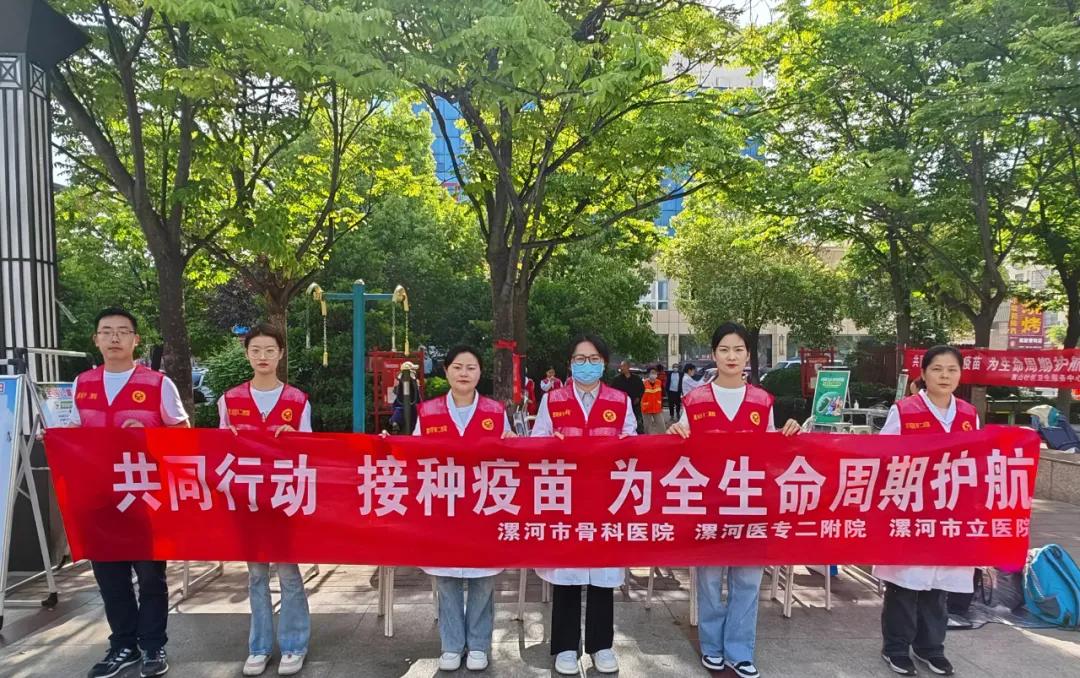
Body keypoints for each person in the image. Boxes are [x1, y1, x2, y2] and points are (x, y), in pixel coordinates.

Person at [668, 322, 801, 678]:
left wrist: (788, 433)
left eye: (738, 350)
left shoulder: (762, 400)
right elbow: (681, 448)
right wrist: (674, 433)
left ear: (747, 355)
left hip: (750, 504)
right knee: (709, 582)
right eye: (724, 349)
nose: (731, 356)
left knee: (747, 582)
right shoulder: (695, 401)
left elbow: (772, 451)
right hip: (709, 506)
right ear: (713, 355)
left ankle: (740, 651)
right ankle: (712, 647)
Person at [72, 308, 190, 678]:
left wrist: (150, 436)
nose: (114, 338)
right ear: (96, 340)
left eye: (123, 331)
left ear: (135, 340)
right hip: (99, 498)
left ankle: (153, 645)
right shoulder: (82, 384)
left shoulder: (157, 384)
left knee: (151, 576)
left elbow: (184, 435)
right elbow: (72, 433)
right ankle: (123, 644)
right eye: (106, 331)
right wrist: (54, 439)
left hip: (145, 498)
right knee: (110, 578)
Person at [532, 334, 636, 676]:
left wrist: (624, 445)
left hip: (606, 499)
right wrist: (551, 444)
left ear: (604, 363)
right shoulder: (553, 400)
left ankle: (601, 646)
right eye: (580, 359)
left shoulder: (620, 400)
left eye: (593, 359)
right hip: (565, 498)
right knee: (567, 575)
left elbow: (634, 444)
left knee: (602, 575)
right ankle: (565, 646)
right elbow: (536, 443)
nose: (586, 365)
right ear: (570, 364)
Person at [876, 346, 977, 678]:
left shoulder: (968, 415)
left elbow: (977, 461)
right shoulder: (905, 411)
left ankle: (931, 647)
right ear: (923, 374)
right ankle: (896, 648)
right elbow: (883, 458)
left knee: (938, 585)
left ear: (960, 375)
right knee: (905, 584)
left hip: (949, 512)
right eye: (937, 369)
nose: (945, 376)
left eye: (952, 370)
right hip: (910, 510)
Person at [412, 345, 515, 672]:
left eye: (471, 368)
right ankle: (452, 644)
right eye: (457, 367)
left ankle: (479, 644)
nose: (464, 373)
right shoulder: (428, 412)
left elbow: (510, 456)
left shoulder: (495, 412)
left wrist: (513, 442)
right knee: (447, 579)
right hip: (443, 507)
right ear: (446, 371)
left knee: (483, 580)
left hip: (484, 506)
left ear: (480, 373)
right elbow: (412, 454)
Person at [218, 324, 313, 677]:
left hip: (284, 499)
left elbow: (310, 451)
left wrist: (295, 438)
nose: (263, 356)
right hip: (247, 500)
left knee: (289, 574)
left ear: (280, 354)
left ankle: (294, 645)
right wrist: (225, 438)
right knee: (256, 576)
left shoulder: (297, 400)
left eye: (270, 350)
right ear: (247, 354)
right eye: (256, 350)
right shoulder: (229, 400)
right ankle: (258, 647)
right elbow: (218, 451)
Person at [610, 360, 645, 432]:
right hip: (621, 405)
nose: (622, 368)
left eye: (624, 366)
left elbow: (642, 389)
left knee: (637, 424)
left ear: (628, 367)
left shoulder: (636, 379)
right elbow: (612, 391)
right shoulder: (616, 380)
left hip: (635, 406)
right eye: (621, 366)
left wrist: (638, 397)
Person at [641, 367, 666, 434]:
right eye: (652, 373)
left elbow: (662, 394)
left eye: (655, 373)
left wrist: (661, 405)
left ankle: (663, 438)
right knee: (647, 428)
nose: (654, 374)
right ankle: (648, 439)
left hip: (657, 408)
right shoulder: (643, 383)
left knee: (662, 427)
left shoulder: (659, 382)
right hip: (646, 408)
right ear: (648, 374)